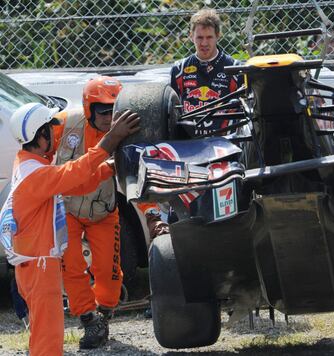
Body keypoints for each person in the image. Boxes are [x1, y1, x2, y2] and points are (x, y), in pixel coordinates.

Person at [0, 102, 139, 356]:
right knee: (48, 342)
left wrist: (107, 168)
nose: (55, 137)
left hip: (34, 266)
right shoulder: (36, 175)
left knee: (43, 336)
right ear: (40, 136)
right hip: (40, 269)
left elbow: (73, 183)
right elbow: (75, 172)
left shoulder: (27, 165)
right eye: (50, 132)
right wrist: (110, 140)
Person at [52, 76, 167, 349]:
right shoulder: (65, 123)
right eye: (103, 111)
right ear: (89, 108)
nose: (109, 117)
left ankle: (104, 312)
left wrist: (153, 215)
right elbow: (38, 151)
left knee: (109, 272)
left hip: (104, 210)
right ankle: (89, 319)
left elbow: (139, 180)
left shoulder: (127, 134)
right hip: (67, 209)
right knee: (72, 266)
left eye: (114, 110)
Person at [170, 8, 242, 136]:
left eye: (209, 37)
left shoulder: (235, 69)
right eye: (200, 37)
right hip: (190, 144)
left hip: (227, 144)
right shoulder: (179, 70)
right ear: (191, 36)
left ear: (218, 35)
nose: (204, 43)